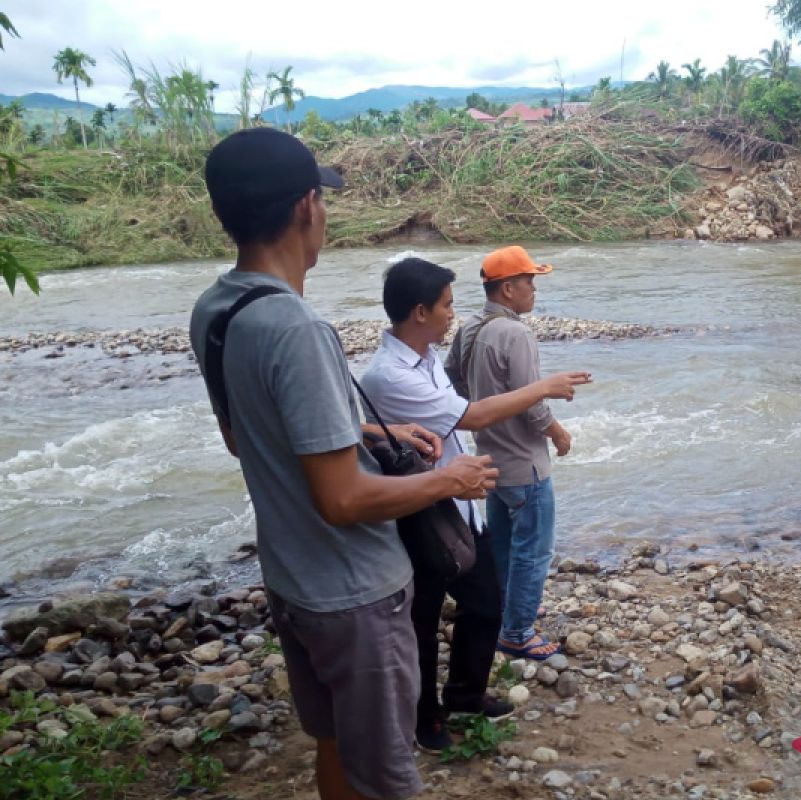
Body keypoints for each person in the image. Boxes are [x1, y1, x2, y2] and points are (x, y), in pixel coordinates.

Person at [188, 128, 498, 800]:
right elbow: (343, 500)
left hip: (292, 579)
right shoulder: (298, 329)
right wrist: (452, 477)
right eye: (322, 200)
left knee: (334, 743)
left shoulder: (216, 311)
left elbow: (248, 436)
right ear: (307, 207)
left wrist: (355, 427)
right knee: (387, 775)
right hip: (354, 593)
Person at [359, 257, 590, 751]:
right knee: (422, 619)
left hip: (461, 500)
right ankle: (426, 720)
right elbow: (470, 414)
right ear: (419, 312)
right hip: (422, 511)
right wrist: (545, 390)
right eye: (445, 304)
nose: (452, 312)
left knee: (485, 600)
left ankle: (465, 694)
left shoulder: (431, 356)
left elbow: (457, 406)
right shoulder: (390, 375)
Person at [445, 246, 581, 661]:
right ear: (507, 289)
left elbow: (451, 382)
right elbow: (533, 402)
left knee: (504, 546)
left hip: (490, 460)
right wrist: (557, 433)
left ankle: (504, 614)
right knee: (534, 550)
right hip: (525, 464)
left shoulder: (469, 326)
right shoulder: (516, 333)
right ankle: (518, 631)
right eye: (529, 281)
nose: (533, 289)